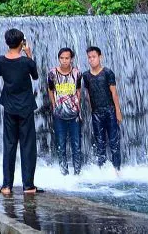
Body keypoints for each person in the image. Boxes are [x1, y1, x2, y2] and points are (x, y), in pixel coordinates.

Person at [0, 28, 41, 195]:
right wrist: (29, 55)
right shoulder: (26, 62)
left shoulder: (1, 60)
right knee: (27, 145)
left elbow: (3, 74)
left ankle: (6, 185)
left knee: (9, 145)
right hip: (25, 107)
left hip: (9, 106)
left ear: (7, 42)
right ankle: (28, 185)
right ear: (22, 43)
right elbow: (35, 76)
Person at [82, 46, 123, 175]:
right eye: (89, 57)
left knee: (114, 141)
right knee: (99, 142)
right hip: (96, 113)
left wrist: (118, 111)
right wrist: (91, 109)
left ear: (100, 57)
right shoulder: (86, 75)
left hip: (110, 111)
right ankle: (102, 169)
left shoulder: (107, 72)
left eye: (94, 57)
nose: (91, 60)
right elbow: (88, 93)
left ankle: (117, 169)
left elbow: (114, 93)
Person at [47, 48, 82, 176]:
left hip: (74, 115)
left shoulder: (77, 73)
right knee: (61, 144)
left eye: (67, 58)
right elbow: (50, 90)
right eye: (62, 58)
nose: (64, 61)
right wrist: (54, 104)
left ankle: (77, 173)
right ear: (58, 59)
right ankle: (64, 173)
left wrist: (77, 104)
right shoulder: (52, 73)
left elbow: (78, 89)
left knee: (76, 145)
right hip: (59, 115)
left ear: (71, 59)